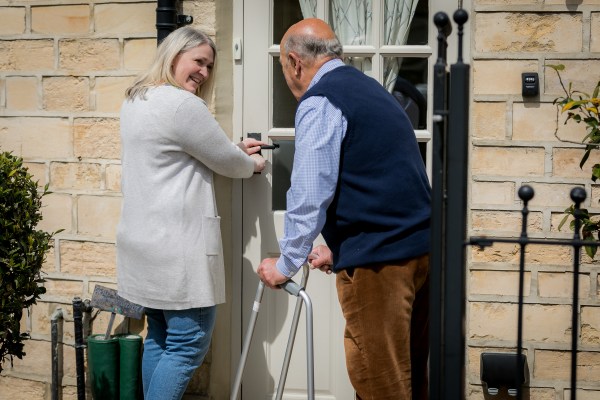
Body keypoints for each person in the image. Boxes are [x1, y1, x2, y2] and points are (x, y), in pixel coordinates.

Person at [257, 18, 431, 400]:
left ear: (294, 62)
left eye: (284, 68)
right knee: (411, 380)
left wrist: (285, 264)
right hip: (417, 250)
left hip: (381, 263)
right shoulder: (370, 89)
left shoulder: (321, 101)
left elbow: (308, 194)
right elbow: (383, 175)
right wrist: (340, 246)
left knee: (379, 382)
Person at [116, 26, 265, 400]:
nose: (204, 72)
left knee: (161, 339)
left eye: (209, 66)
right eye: (198, 61)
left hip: (143, 248)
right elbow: (228, 163)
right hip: (177, 252)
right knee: (186, 346)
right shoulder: (183, 104)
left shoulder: (136, 99)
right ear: (174, 55)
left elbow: (188, 152)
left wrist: (231, 150)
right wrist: (254, 164)